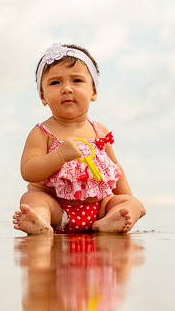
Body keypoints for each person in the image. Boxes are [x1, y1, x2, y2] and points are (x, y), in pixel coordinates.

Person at [12, 43, 146, 234]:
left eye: (76, 80)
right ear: (42, 96)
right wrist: (59, 155)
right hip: (58, 211)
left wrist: (128, 199)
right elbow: (28, 171)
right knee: (31, 199)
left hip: (99, 209)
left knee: (130, 203)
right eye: (55, 83)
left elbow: (115, 167)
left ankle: (109, 222)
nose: (66, 88)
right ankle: (39, 221)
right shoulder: (43, 132)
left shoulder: (99, 130)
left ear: (94, 91)